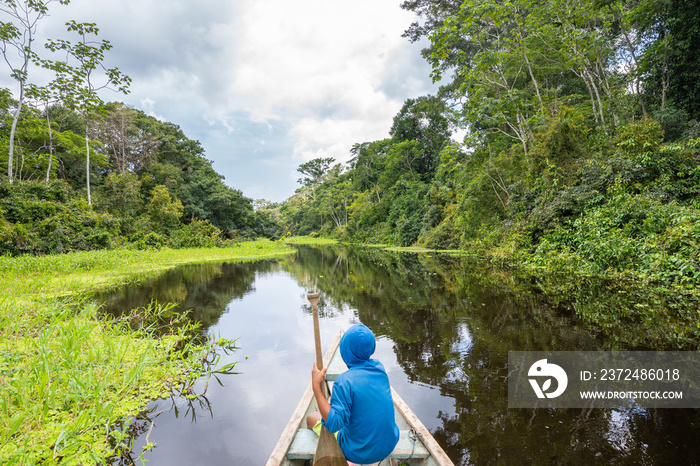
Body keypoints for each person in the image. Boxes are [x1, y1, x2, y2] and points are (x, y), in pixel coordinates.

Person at [307, 323, 400, 465]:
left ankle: (349, 461)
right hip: (389, 444)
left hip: (357, 454)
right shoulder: (379, 369)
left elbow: (333, 424)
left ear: (345, 351)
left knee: (312, 418)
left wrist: (316, 387)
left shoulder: (343, 381)